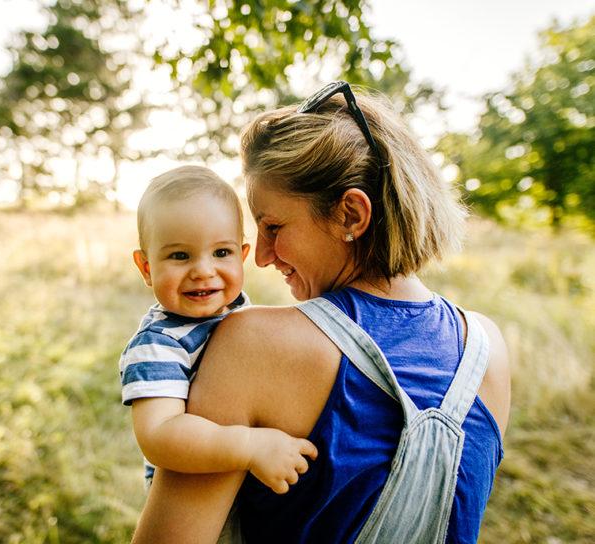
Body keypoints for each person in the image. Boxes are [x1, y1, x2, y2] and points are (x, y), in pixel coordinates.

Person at [131, 83, 511, 544]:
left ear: (351, 214)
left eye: (273, 227)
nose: (263, 257)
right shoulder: (487, 349)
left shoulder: (253, 344)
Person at [119, 165, 317, 497]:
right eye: (180, 255)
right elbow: (159, 434)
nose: (203, 271)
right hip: (197, 494)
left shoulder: (242, 311)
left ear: (242, 257)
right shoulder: (159, 344)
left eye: (221, 253)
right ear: (147, 268)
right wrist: (250, 446)